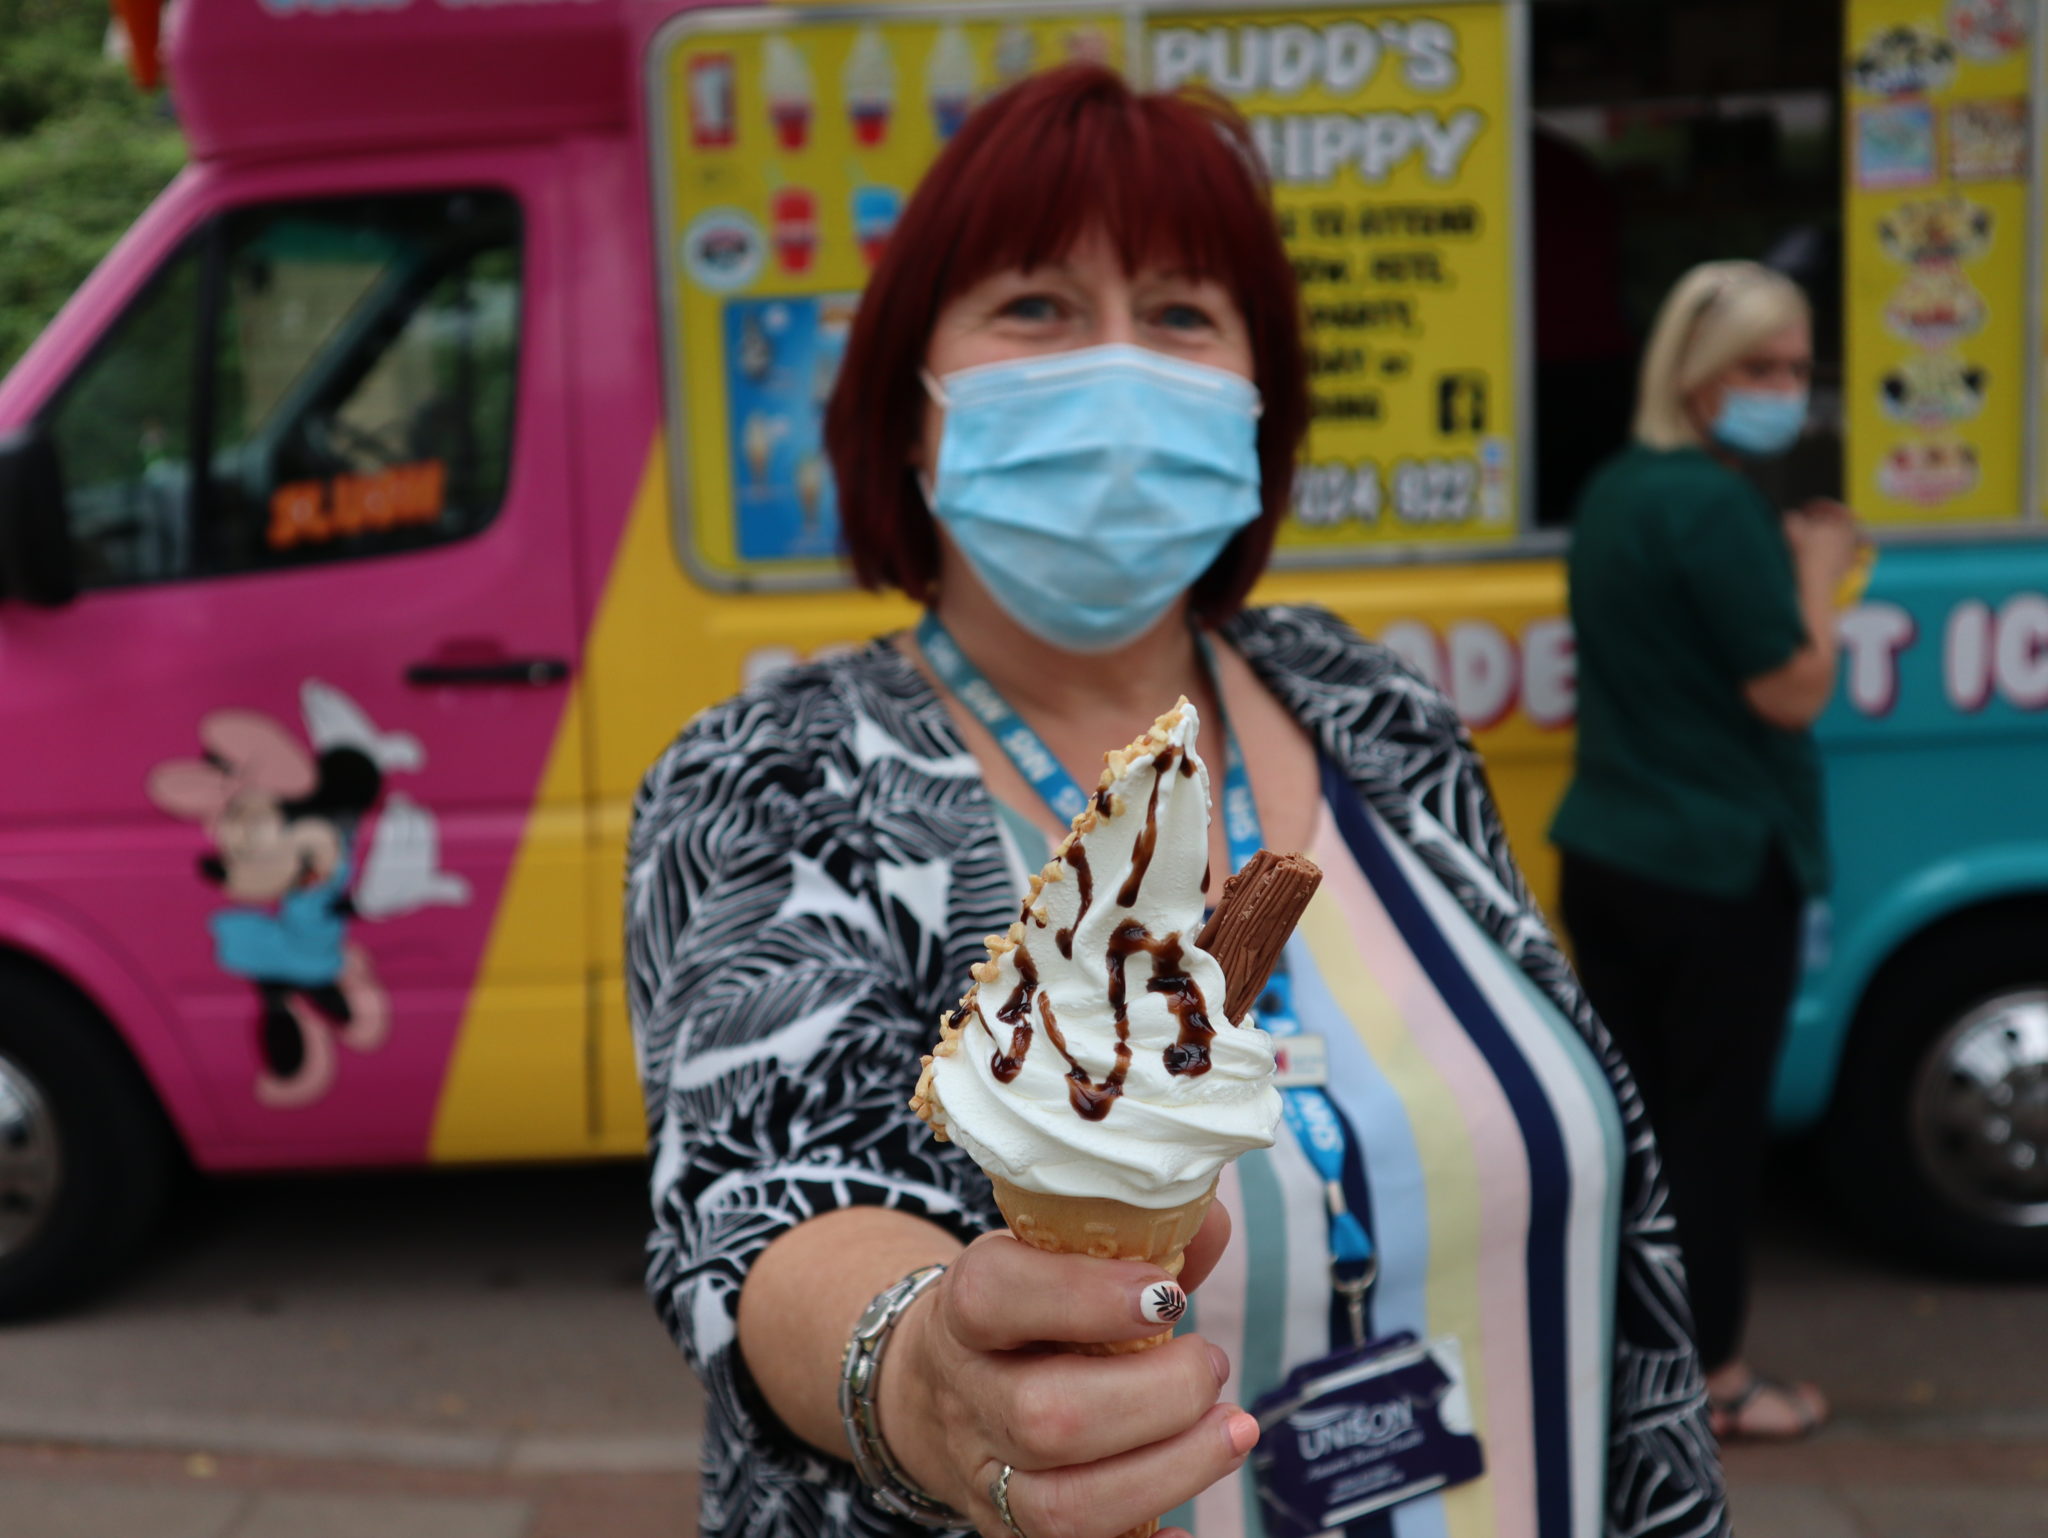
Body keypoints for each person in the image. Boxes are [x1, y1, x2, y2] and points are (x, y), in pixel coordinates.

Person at [629, 66, 1727, 1538]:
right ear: (909, 406)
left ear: (1254, 406)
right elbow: (767, 1212)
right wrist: (926, 1373)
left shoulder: (1374, 711)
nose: (1119, 369)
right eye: (1035, 305)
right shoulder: (774, 772)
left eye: (1183, 314)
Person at [1552, 260, 1862, 1443]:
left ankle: (1622, 1354)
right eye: (1756, 366)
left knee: (1631, 1131)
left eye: (1794, 367)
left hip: (1613, 847)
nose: (1783, 389)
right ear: (1691, 373)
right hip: (1719, 866)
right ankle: (1717, 1378)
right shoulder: (1717, 505)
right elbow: (1789, 687)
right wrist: (1817, 577)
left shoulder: (1618, 490)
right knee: (1715, 1136)